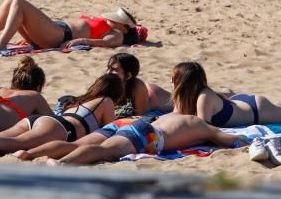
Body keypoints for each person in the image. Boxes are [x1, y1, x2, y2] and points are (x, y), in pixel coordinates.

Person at [48, 63, 248, 165]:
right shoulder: (198, 123)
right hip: (147, 135)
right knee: (104, 151)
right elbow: (229, 139)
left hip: (139, 126)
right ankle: (61, 164)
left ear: (175, 83)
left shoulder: (170, 115)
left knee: (83, 145)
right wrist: (245, 140)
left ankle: (31, 153)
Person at [0, 74, 123, 158]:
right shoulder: (105, 101)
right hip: (61, 128)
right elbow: (109, 131)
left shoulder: (79, 100)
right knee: (14, 144)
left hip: (40, 121)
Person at [172, 61, 281, 127]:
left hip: (257, 110)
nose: (171, 81)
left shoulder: (203, 97)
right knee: (279, 108)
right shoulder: (189, 96)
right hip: (240, 103)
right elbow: (176, 115)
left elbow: (202, 127)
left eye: (174, 78)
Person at [0, 0, 140, 51]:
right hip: (53, 30)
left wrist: (82, 41)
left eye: (118, 19)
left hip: (59, 35)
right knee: (11, 0)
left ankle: (0, 44)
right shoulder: (108, 25)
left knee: (18, 2)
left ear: (123, 27)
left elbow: (108, 43)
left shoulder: (117, 34)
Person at [106, 52, 172, 115]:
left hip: (159, 98)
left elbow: (139, 116)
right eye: (108, 68)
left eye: (114, 70)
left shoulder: (138, 87)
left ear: (128, 75)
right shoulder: (108, 83)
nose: (108, 72)